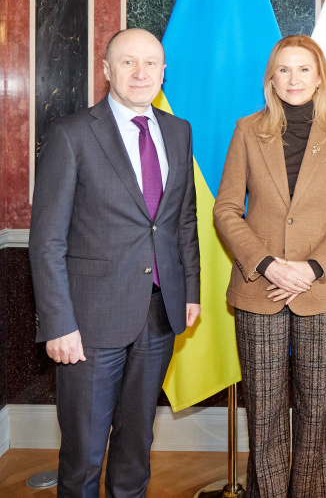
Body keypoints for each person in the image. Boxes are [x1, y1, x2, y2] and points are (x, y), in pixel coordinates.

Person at [28, 28, 200, 497]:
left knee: (136, 442)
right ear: (106, 71)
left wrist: (191, 292)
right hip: (88, 321)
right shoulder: (71, 135)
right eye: (128, 62)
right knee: (83, 453)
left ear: (164, 71)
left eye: (151, 63)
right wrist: (58, 323)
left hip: (159, 313)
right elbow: (46, 241)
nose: (140, 73)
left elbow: (183, 219)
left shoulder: (178, 131)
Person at [213, 34, 326, 498]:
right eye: (284, 69)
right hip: (260, 288)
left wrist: (311, 268)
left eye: (303, 69)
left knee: (319, 407)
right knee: (263, 408)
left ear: (319, 78)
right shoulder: (247, 130)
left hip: (319, 290)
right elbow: (225, 210)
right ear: (271, 79)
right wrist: (266, 264)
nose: (293, 79)